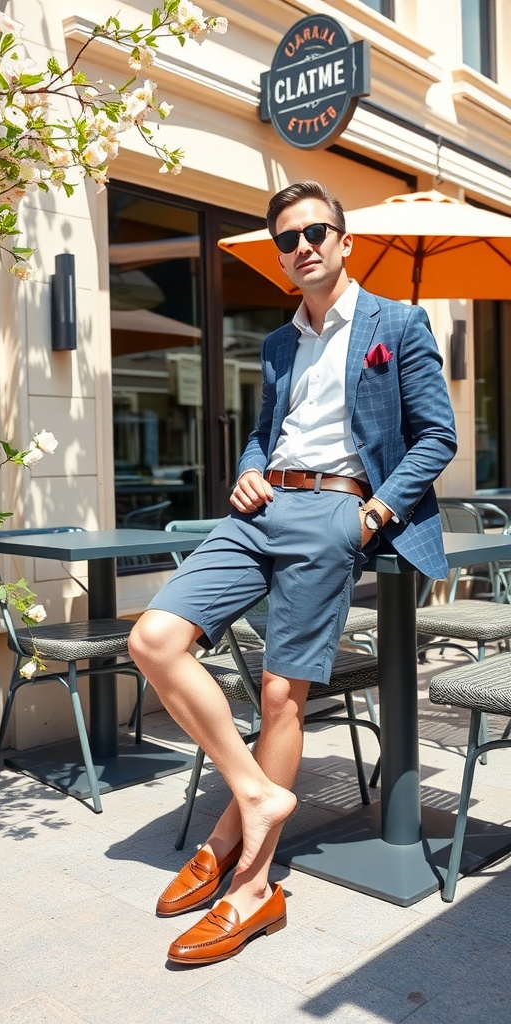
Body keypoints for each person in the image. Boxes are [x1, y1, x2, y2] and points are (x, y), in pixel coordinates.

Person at [128, 180, 457, 965]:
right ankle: (255, 795)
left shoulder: (398, 324)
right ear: (280, 259)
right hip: (260, 509)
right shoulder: (278, 344)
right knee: (154, 638)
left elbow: (435, 437)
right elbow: (263, 435)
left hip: (337, 511)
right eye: (288, 239)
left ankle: (250, 885)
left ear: (344, 243)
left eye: (316, 232)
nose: (302, 245)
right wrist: (245, 469)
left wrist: (372, 514)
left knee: (281, 691)